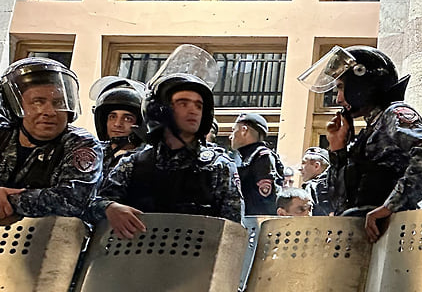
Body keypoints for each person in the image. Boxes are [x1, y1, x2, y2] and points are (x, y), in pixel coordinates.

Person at [89, 45, 243, 237]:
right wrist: (109, 207)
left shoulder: (219, 166)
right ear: (160, 110)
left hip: (198, 252)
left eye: (198, 105)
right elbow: (94, 204)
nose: (193, 110)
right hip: (135, 252)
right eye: (183, 103)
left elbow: (232, 229)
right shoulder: (132, 164)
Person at [298, 45, 422, 242]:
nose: (338, 99)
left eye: (341, 87)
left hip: (392, 235)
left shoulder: (394, 114)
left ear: (360, 85)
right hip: (364, 235)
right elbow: (339, 202)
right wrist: (338, 149)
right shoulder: (368, 131)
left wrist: (390, 206)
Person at [0, 58, 103, 221]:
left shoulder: (82, 144)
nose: (50, 111)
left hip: (51, 235)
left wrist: (9, 200)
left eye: (59, 102)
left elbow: (73, 200)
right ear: (15, 107)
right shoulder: (3, 135)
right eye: (38, 102)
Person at [90, 77, 147, 175]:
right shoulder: (93, 153)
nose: (117, 124)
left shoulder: (147, 160)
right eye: (112, 117)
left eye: (127, 119)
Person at [231, 112, 284, 216]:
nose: (230, 136)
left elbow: (264, 203)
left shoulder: (262, 157)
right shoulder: (245, 158)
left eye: (233, 131)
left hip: (254, 222)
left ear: (244, 130)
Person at [300, 146, 333, 216]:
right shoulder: (335, 183)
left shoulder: (312, 187)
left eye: (303, 163)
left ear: (316, 166)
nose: (300, 168)